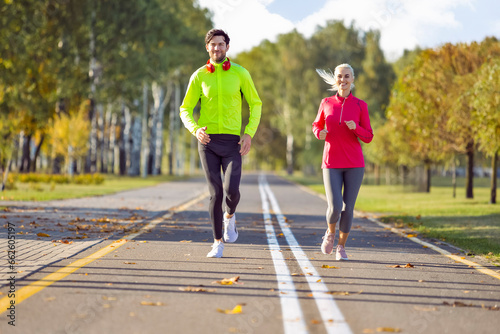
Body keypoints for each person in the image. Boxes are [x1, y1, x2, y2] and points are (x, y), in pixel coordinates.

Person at [180, 29, 262, 258]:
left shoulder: (240, 73)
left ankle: (230, 217)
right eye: (213, 44)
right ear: (207, 47)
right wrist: (195, 129)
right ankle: (217, 242)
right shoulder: (198, 76)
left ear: (227, 47)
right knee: (215, 193)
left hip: (233, 142)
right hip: (207, 141)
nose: (217, 48)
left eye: (221, 44)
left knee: (231, 191)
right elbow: (184, 108)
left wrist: (249, 133)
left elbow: (256, 104)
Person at [312, 64, 373, 261]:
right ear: (335, 79)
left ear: (352, 79)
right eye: (340, 76)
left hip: (355, 164)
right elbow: (316, 125)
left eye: (347, 76)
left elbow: (369, 136)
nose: (343, 79)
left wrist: (356, 128)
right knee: (335, 206)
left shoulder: (360, 105)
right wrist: (318, 132)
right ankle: (330, 233)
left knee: (348, 208)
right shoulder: (326, 102)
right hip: (331, 163)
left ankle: (341, 246)